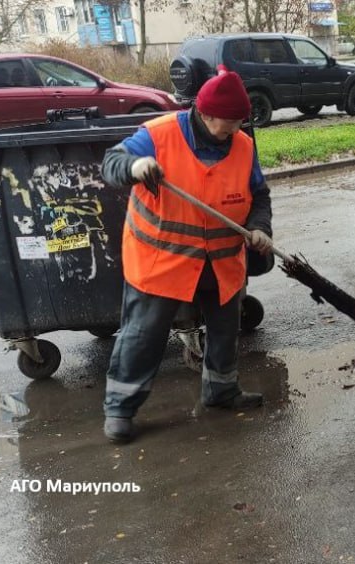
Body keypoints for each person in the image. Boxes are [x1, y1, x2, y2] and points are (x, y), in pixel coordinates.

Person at [99, 65, 273, 443]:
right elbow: (110, 164)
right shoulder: (159, 135)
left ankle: (221, 392)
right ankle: (120, 408)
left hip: (222, 261)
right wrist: (135, 165)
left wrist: (260, 228)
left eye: (239, 123)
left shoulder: (242, 144)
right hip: (163, 261)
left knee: (227, 332)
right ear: (205, 114)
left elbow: (258, 193)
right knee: (142, 336)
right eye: (228, 123)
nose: (234, 131)